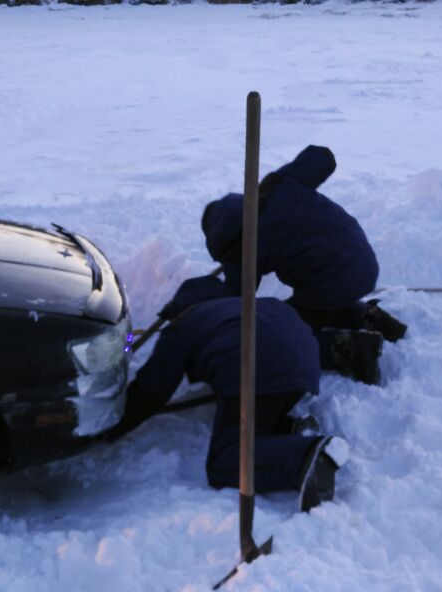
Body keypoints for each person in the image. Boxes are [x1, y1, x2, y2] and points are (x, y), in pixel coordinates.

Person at [103, 276, 346, 511]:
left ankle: (306, 456)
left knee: (226, 461)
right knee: (260, 416)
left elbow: (152, 389)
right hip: (304, 369)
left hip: (260, 369)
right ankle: (288, 431)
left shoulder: (185, 323)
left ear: (180, 307)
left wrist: (111, 425)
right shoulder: (250, 306)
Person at [200, 145, 407, 384]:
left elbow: (238, 302)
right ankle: (372, 318)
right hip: (362, 259)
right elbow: (320, 158)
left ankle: (352, 351)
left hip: (333, 278)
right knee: (316, 301)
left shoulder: (241, 250)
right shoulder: (274, 186)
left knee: (282, 333)